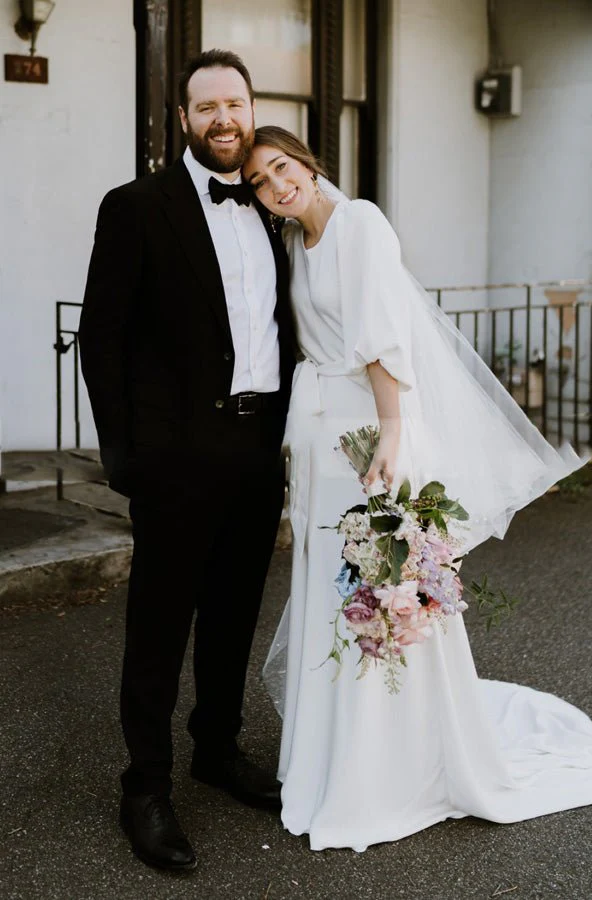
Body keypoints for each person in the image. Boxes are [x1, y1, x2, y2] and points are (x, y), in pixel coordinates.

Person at [242, 127, 592, 853]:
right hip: (321, 439)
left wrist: (393, 435)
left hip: (371, 431)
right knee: (335, 592)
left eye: (282, 165)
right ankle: (333, 761)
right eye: (261, 180)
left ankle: (393, 770)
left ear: (306, 161)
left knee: (383, 587)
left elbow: (385, 333)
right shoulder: (293, 247)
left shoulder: (357, 221)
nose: (277, 183)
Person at [79, 52, 295, 871]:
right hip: (174, 457)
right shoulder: (136, 207)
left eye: (233, 104)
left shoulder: (274, 202)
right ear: (182, 120)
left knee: (235, 612)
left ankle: (216, 747)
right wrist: (125, 457)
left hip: (255, 450)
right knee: (159, 626)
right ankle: (145, 786)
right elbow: (102, 337)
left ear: (250, 108)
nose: (222, 119)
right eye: (205, 107)